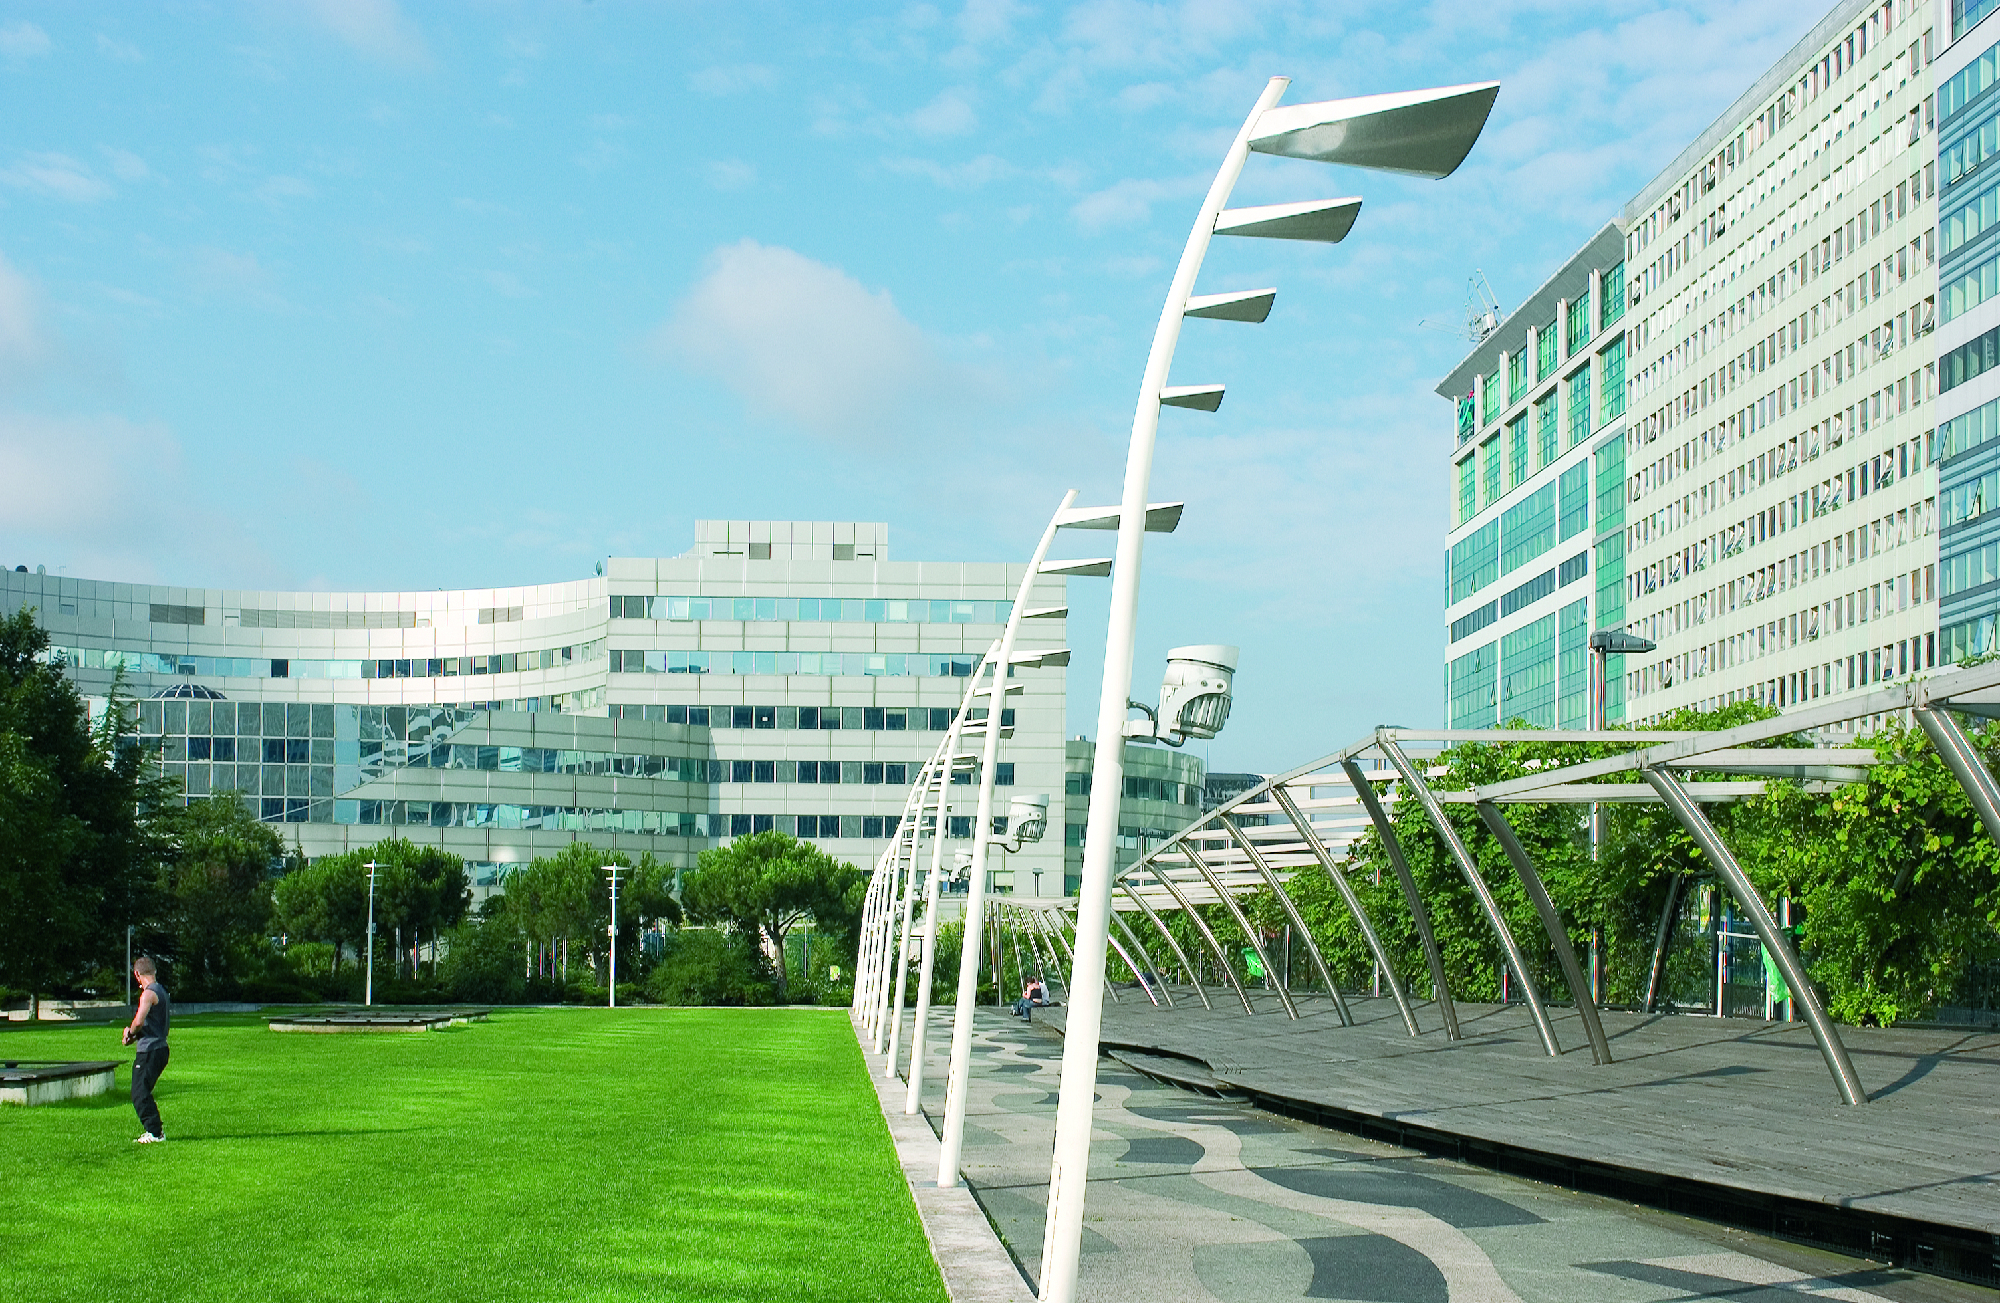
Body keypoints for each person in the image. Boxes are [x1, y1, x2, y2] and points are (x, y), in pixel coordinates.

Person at [121, 956, 171, 1144]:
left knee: (139, 1092)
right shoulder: (162, 991)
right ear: (154, 971)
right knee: (142, 1091)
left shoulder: (148, 994)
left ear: (137, 974)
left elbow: (139, 1021)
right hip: (160, 1048)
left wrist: (130, 1033)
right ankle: (154, 1130)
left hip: (150, 1050)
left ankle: (155, 1132)